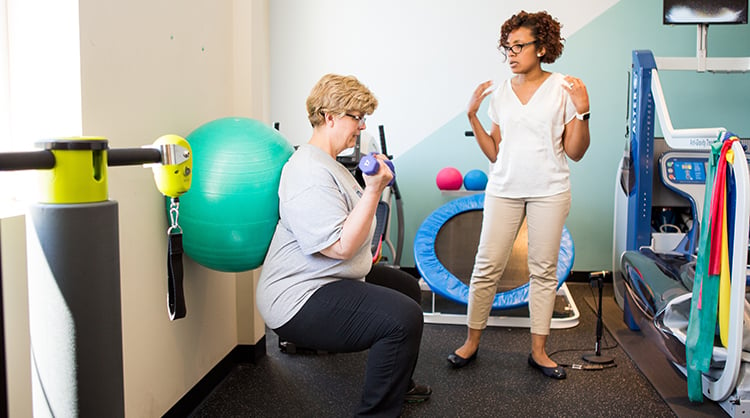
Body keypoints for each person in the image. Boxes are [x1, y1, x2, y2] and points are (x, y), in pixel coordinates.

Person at [256, 73, 431, 416]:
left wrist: (370, 188)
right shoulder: (308, 172)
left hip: (330, 277)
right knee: (402, 318)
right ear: (329, 116)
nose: (362, 126)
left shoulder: (329, 164)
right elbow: (340, 248)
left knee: (407, 288)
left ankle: (398, 383)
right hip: (299, 295)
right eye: (357, 117)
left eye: (364, 118)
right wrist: (374, 189)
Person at [447, 10, 590, 379]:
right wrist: (472, 116)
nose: (511, 54)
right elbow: (496, 152)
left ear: (541, 48)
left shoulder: (564, 88)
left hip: (549, 190)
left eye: (519, 46)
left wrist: (583, 112)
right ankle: (471, 342)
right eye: (507, 47)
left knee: (543, 271)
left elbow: (575, 152)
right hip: (504, 189)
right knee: (486, 267)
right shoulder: (501, 93)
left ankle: (539, 352)